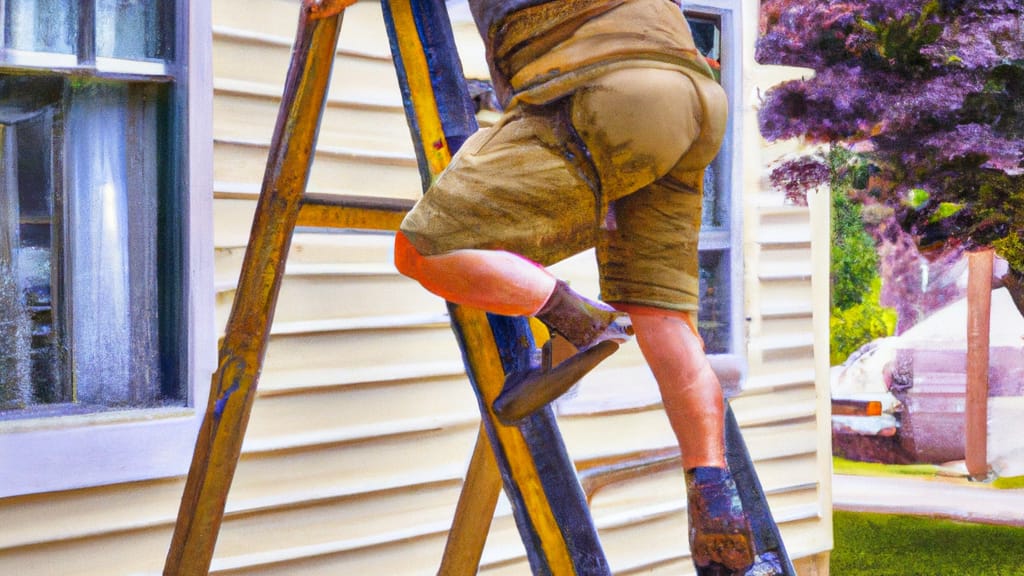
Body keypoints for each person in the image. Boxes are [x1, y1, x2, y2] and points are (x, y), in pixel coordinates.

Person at [394, 0, 756, 572]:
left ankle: (581, 323)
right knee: (662, 314)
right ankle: (715, 503)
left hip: (602, 87)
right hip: (695, 95)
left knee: (423, 250)